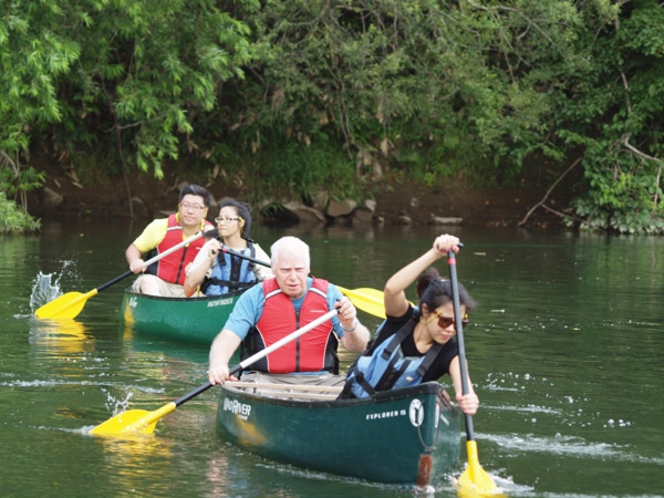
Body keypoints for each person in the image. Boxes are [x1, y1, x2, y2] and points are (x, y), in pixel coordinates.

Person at [339, 234, 480, 416]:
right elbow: (392, 289)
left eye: (460, 324)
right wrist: (435, 253)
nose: (452, 329)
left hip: (394, 420)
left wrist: (469, 399)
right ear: (426, 310)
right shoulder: (401, 318)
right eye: (445, 321)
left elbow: (464, 387)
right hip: (349, 406)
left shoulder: (451, 352)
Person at [208, 236, 370, 386]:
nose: (293, 277)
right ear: (273, 267)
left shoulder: (330, 294)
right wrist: (219, 364)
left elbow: (359, 346)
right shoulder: (255, 296)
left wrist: (349, 324)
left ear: (308, 267)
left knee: (357, 387)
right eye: (285, 270)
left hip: (322, 381)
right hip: (264, 381)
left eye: (299, 269)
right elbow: (228, 337)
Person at [125, 184, 214, 297]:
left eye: (196, 207)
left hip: (189, 290)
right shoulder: (160, 226)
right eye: (185, 205)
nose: (190, 211)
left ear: (205, 211)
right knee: (147, 282)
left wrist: (210, 240)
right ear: (179, 207)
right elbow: (133, 249)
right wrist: (135, 261)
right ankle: (159, 310)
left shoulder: (211, 234)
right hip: (157, 284)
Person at [183, 199, 272, 297]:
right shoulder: (211, 246)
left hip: (244, 307)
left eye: (228, 219)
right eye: (220, 219)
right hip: (213, 305)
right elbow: (191, 284)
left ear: (241, 223)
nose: (221, 223)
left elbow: (273, 282)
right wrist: (209, 259)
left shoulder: (255, 251)